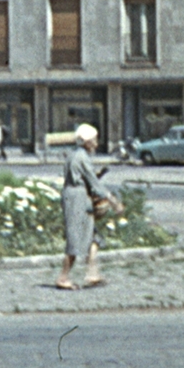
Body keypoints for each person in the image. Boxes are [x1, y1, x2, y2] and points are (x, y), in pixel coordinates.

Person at [56, 122, 116, 289]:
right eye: (94, 140)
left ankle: (92, 274)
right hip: (77, 198)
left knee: (92, 237)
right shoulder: (81, 157)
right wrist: (113, 200)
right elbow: (93, 182)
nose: (96, 144)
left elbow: (85, 177)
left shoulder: (75, 155)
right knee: (75, 239)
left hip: (78, 195)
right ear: (87, 142)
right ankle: (63, 277)